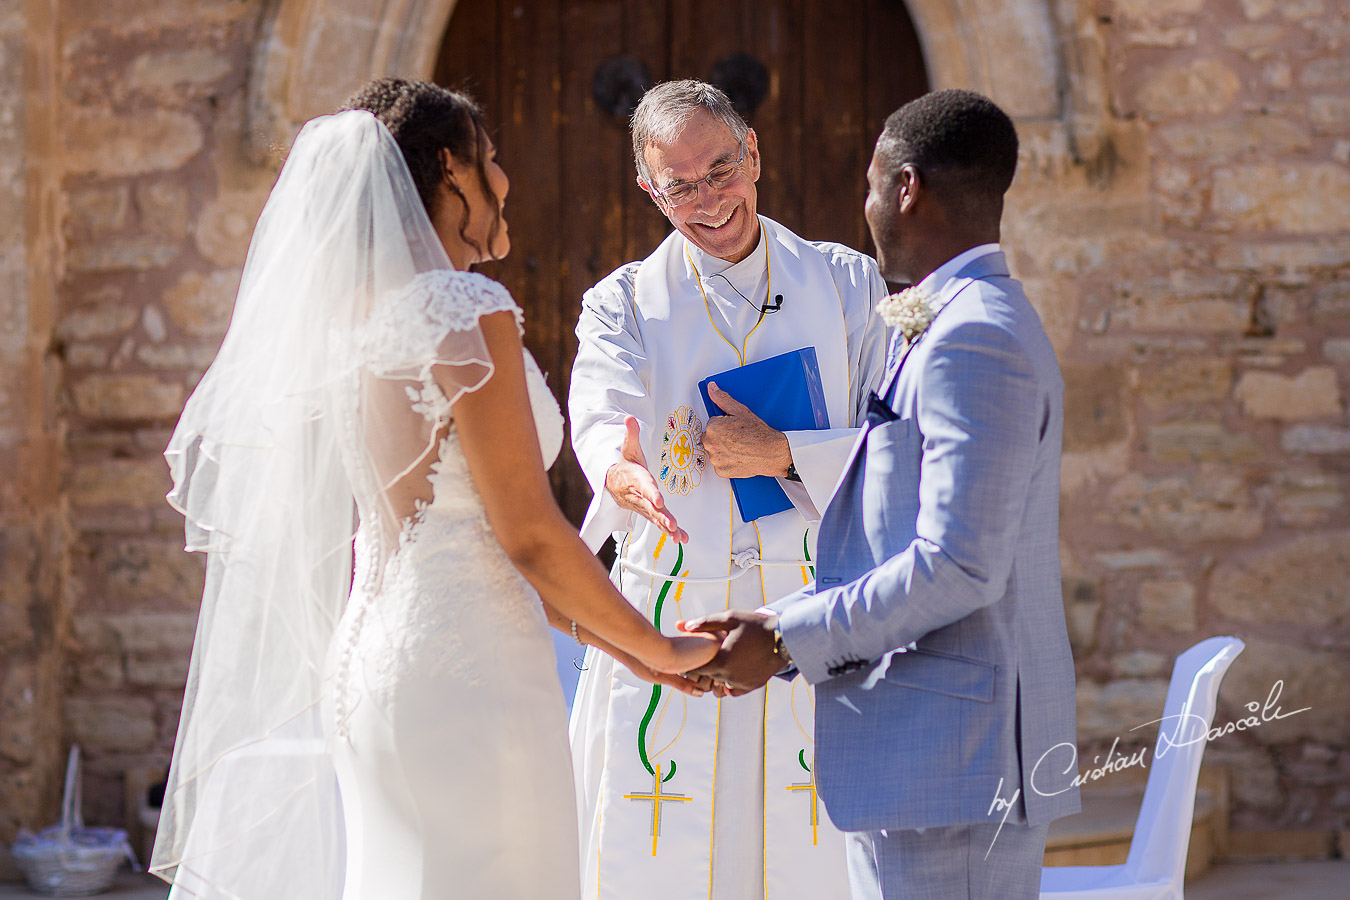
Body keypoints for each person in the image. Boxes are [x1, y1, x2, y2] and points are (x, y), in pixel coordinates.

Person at [150, 78, 716, 900]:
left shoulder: (354, 327)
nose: (506, 181)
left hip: (374, 663)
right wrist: (660, 648)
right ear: (451, 172)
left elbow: (470, 538)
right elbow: (525, 534)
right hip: (471, 676)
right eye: (491, 160)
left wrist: (624, 644)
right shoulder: (465, 308)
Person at [684, 89, 1081, 899]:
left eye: (869, 184)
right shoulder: (964, 320)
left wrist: (788, 634)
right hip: (934, 760)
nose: (862, 206)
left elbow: (960, 566)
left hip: (954, 766)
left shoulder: (974, 337)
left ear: (907, 187)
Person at [567, 80, 888, 899]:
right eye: (680, 185)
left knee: (807, 845)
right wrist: (619, 471)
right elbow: (600, 410)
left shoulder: (850, 288)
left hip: (809, 612)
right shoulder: (623, 305)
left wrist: (785, 453)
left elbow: (899, 448)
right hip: (677, 607)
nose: (709, 200)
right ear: (649, 190)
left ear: (755, 155)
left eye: (721, 170)